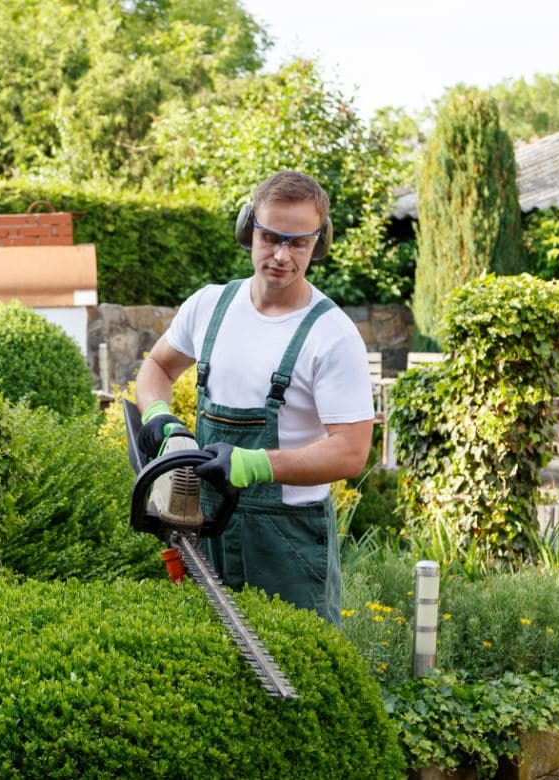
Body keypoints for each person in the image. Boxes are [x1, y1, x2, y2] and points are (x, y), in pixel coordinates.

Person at [135, 170, 374, 626]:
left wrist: (254, 464)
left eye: (298, 242)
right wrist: (161, 419)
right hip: (204, 527)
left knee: (300, 678)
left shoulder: (332, 334)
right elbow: (158, 368)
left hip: (286, 542)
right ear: (249, 230)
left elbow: (351, 451)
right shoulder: (209, 306)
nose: (282, 255)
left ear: (318, 244)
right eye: (271, 237)